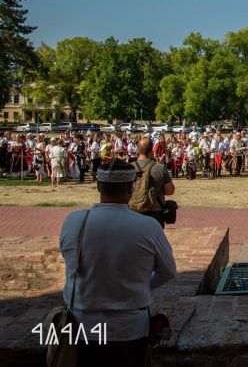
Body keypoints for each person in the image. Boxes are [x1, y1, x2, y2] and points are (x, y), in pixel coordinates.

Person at [59, 159, 177, 366]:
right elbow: (168, 272)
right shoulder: (148, 226)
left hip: (82, 323)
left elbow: (71, 261)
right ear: (132, 189)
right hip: (129, 326)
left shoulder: (74, 221)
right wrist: (137, 283)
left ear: (98, 186)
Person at [133, 138, 175, 228]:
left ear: (137, 151)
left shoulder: (128, 168)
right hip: (155, 211)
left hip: (133, 211)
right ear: (151, 152)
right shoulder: (159, 168)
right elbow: (170, 191)